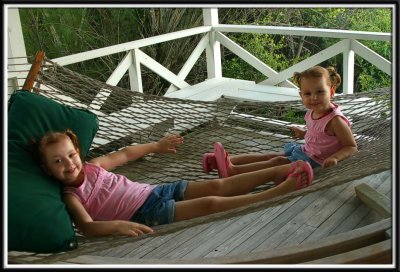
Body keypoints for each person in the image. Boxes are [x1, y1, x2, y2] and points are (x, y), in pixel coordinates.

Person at [31, 129, 314, 238]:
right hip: (144, 214)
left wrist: (157, 145)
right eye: (58, 162)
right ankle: (277, 191)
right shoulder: (71, 195)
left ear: (78, 151)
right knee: (210, 204)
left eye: (71, 155)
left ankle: (279, 170)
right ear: (47, 169)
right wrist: (118, 225)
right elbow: (88, 226)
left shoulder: (94, 166)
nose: (69, 164)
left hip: (153, 190)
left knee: (214, 187)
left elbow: (126, 153)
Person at [203, 66, 358, 179]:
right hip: (305, 150)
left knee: (277, 161)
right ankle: (223, 161)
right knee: (270, 156)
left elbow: (351, 146)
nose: (314, 98)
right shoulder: (312, 111)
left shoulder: (335, 120)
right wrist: (304, 133)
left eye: (320, 92)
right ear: (301, 95)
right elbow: (320, 135)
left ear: (331, 91)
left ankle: (233, 171)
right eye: (308, 93)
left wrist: (335, 158)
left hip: (315, 162)